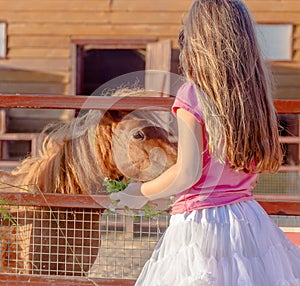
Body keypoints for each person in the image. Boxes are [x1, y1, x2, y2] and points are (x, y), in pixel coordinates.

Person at [110, 0, 300, 285]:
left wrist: (140, 191)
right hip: (248, 221)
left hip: (200, 225)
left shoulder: (192, 95)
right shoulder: (252, 98)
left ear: (199, 40)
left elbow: (188, 172)